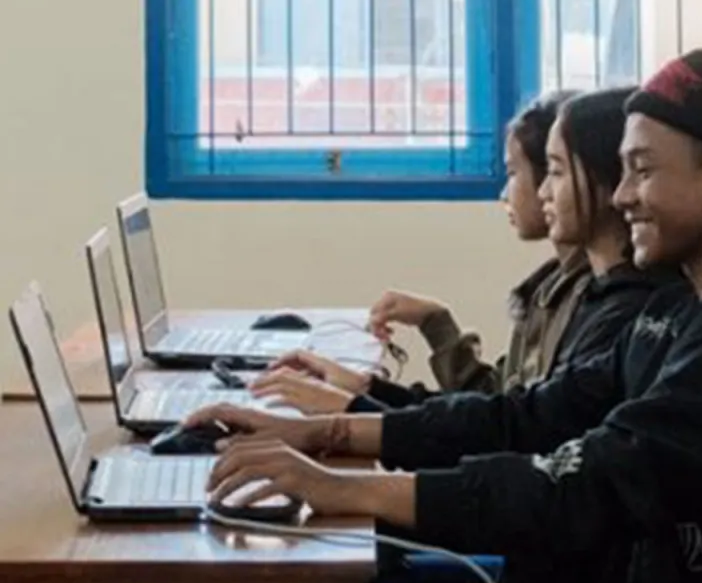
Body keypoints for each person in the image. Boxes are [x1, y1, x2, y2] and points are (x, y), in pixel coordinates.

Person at [192, 48, 702, 583]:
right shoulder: (672, 316)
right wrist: (322, 434)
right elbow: (521, 417)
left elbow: (578, 486)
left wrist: (342, 489)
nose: (622, 196)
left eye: (643, 171)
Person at [250, 86, 667, 418]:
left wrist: (357, 410)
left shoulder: (617, 311)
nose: (538, 192)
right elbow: (500, 413)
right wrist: (364, 392)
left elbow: (510, 428)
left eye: (553, 172)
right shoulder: (556, 290)